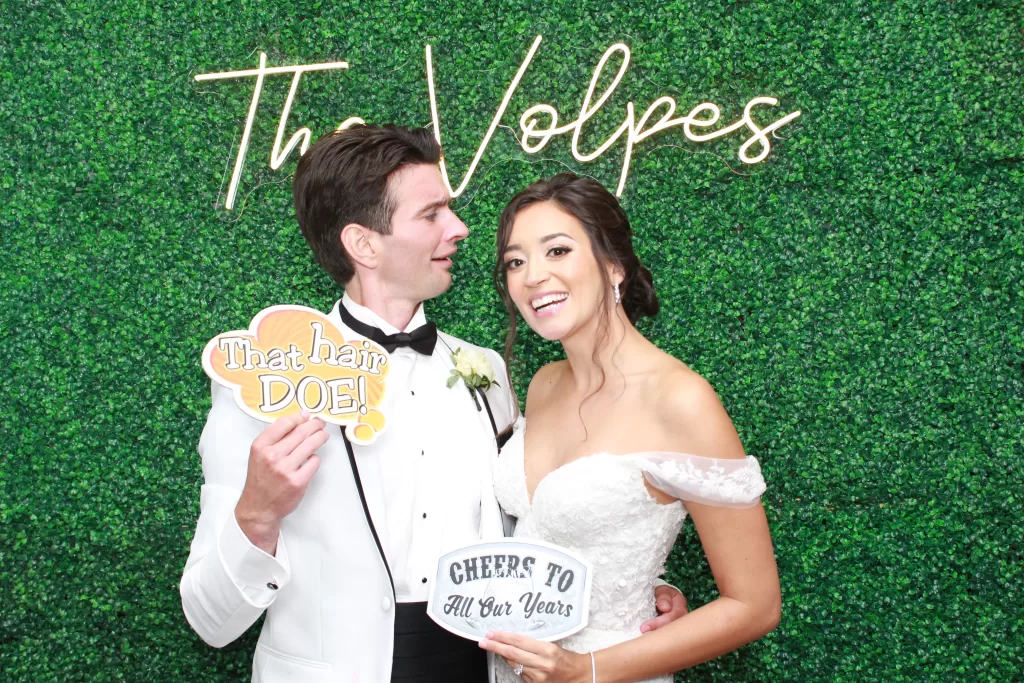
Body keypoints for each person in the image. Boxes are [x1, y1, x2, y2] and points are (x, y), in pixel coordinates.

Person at [179, 126, 688, 683]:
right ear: (364, 244)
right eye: (433, 214)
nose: (460, 228)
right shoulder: (265, 382)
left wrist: (629, 591)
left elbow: (532, 529)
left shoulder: (487, 371)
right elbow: (210, 619)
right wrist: (258, 512)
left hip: (483, 667)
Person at [481, 173, 781, 682]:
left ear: (614, 265)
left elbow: (755, 605)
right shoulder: (544, 384)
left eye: (557, 251)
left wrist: (584, 671)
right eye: (516, 261)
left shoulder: (681, 400)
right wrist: (653, 580)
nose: (532, 276)